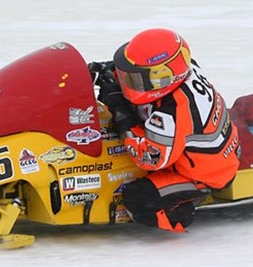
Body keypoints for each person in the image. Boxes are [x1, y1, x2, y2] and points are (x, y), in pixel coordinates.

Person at [95, 28, 240, 232]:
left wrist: (121, 115)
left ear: (162, 80)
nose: (126, 81)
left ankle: (179, 211)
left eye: (133, 79)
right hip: (193, 149)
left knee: (140, 199)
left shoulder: (173, 114)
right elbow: (144, 72)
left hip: (203, 174)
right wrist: (105, 69)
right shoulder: (185, 69)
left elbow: (149, 158)